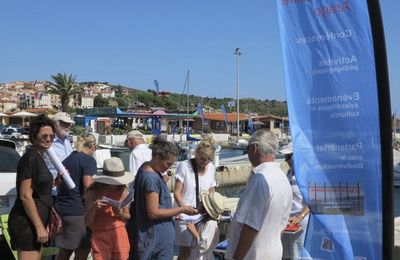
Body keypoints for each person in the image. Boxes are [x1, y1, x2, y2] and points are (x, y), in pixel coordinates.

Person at [225, 130, 293, 260]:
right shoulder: (283, 178)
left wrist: (236, 258)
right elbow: (281, 224)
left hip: (252, 255)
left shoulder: (261, 179)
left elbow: (250, 227)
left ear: (254, 148)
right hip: (273, 252)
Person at [127, 136, 198, 260]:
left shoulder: (146, 167)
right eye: (168, 164)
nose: (168, 167)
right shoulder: (151, 179)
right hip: (155, 238)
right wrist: (182, 209)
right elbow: (153, 212)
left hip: (151, 235)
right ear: (158, 157)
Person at [8, 116, 55, 260]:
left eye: (51, 136)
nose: (48, 139)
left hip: (35, 223)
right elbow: (25, 195)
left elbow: (39, 189)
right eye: (44, 136)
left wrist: (55, 182)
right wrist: (39, 227)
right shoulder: (30, 158)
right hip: (27, 224)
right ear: (33, 137)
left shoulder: (39, 157)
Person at [54, 133, 98, 260]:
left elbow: (58, 185)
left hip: (62, 209)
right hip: (78, 211)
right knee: (82, 251)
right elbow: (88, 185)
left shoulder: (66, 160)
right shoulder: (88, 160)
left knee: (65, 250)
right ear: (93, 147)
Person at [174, 137, 217, 260]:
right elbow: (177, 192)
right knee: (185, 251)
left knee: (199, 249)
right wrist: (183, 209)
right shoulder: (184, 166)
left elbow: (211, 190)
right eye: (202, 158)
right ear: (196, 153)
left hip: (201, 214)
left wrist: (211, 208)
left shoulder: (211, 168)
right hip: (184, 214)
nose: (205, 162)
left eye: (209, 159)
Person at [85, 157, 134, 260]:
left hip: (119, 232)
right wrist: (94, 207)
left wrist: (120, 213)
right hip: (100, 234)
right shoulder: (92, 192)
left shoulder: (122, 189)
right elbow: (88, 223)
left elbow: (127, 216)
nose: (115, 184)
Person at [280, 143, 310, 260]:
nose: (286, 160)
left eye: (289, 156)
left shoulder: (307, 174)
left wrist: (300, 215)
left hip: (301, 221)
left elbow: (314, 200)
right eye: (285, 157)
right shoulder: (289, 172)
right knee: (286, 255)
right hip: (288, 220)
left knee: (297, 255)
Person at [186, 191, 226, 260]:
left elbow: (204, 245)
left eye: (202, 203)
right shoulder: (204, 221)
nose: (200, 203)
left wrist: (193, 231)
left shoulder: (211, 224)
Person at [45, 112, 75, 197]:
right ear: (55, 125)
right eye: (65, 123)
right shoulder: (48, 143)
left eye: (69, 124)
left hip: (68, 190)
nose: (68, 126)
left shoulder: (68, 142)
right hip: (53, 192)